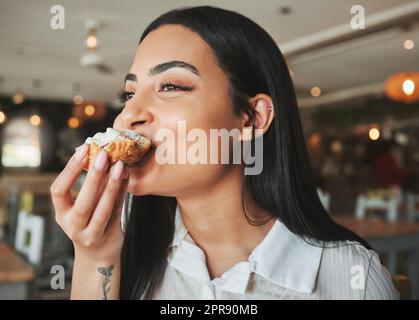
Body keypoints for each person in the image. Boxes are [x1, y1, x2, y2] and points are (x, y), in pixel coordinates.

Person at [50, 6, 399, 300]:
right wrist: (94, 253)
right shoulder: (122, 250)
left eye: (170, 86)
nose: (128, 115)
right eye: (129, 94)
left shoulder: (354, 280)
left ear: (252, 118)